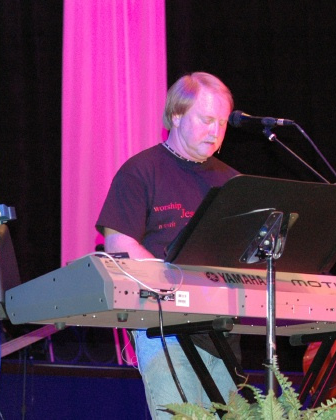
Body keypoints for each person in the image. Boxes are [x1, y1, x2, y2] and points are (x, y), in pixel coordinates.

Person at [96, 72, 240, 418]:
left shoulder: (233, 182)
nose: (215, 131)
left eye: (221, 123)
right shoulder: (141, 171)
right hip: (164, 329)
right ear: (176, 116)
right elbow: (119, 243)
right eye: (206, 120)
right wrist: (179, 282)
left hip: (222, 332)